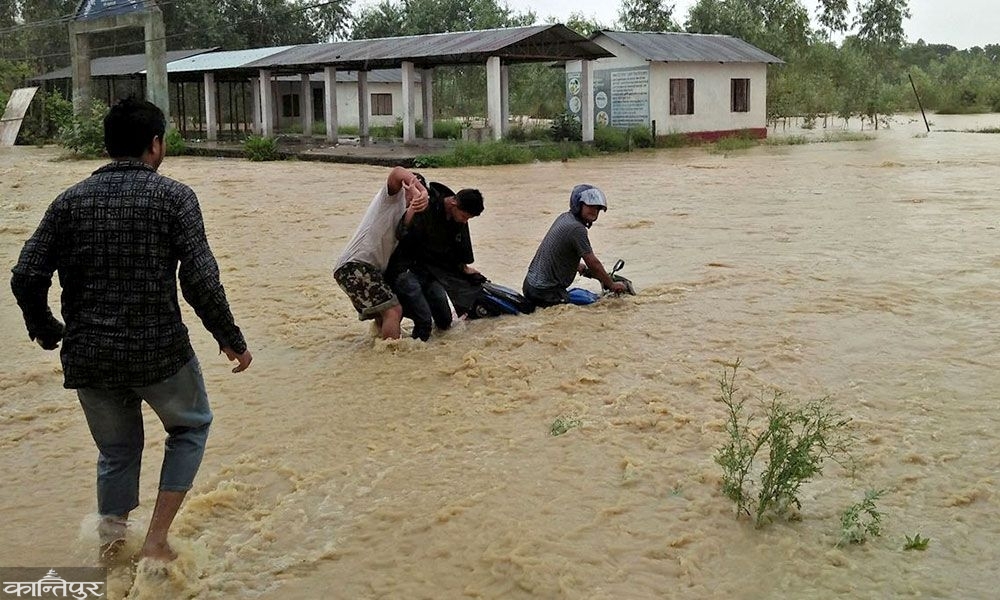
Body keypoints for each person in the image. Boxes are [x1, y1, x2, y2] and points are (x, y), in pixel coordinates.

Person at [9, 97, 252, 564]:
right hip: (158, 350)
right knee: (190, 427)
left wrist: (45, 328)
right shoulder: (174, 197)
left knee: (116, 453)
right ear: (155, 144)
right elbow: (199, 278)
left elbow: (25, 274)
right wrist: (230, 338)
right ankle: (157, 539)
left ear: (107, 145)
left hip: (89, 355)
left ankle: (113, 547)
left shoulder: (69, 202)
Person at [333, 166, 429, 339]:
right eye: (410, 186)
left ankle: (378, 358)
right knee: (393, 310)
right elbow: (397, 172)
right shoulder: (390, 198)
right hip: (356, 266)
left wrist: (417, 203)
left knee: (383, 313)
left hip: (361, 269)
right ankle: (390, 359)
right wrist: (420, 191)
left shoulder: (404, 212)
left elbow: (404, 227)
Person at [385, 181, 485, 339]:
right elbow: (401, 233)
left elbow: (460, 249)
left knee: (445, 322)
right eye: (465, 216)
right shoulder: (426, 206)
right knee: (424, 321)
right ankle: (412, 355)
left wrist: (464, 268)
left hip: (431, 272)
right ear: (453, 203)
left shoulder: (458, 219)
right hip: (406, 270)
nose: (465, 221)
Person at [522, 184, 627, 307]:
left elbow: (555, 249)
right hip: (545, 293)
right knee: (595, 309)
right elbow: (593, 263)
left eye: (597, 208)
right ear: (578, 205)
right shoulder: (577, 229)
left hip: (530, 286)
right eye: (590, 206)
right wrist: (612, 285)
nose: (594, 211)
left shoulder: (565, 218)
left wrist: (576, 265)